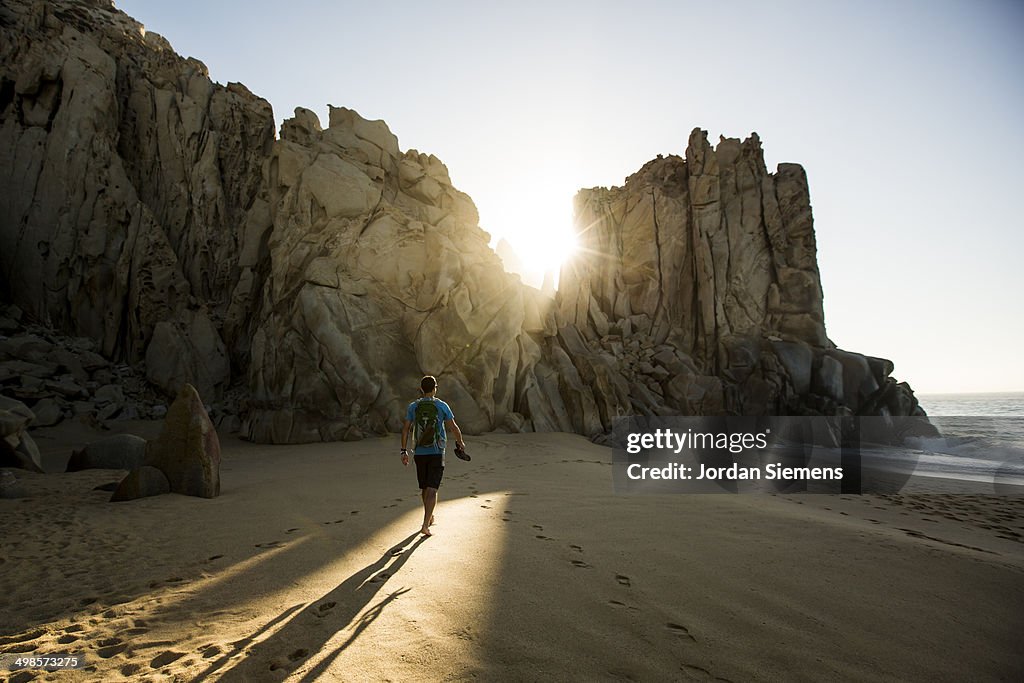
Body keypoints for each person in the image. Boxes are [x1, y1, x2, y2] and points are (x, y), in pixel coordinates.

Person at [401, 375, 465, 536]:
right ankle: (425, 524)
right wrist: (460, 443)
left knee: (424, 487)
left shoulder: (413, 407)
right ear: (435, 388)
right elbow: (454, 427)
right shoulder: (442, 406)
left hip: (419, 451)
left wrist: (404, 450)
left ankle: (428, 517)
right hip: (437, 451)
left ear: (421, 389)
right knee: (432, 489)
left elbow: (406, 429)